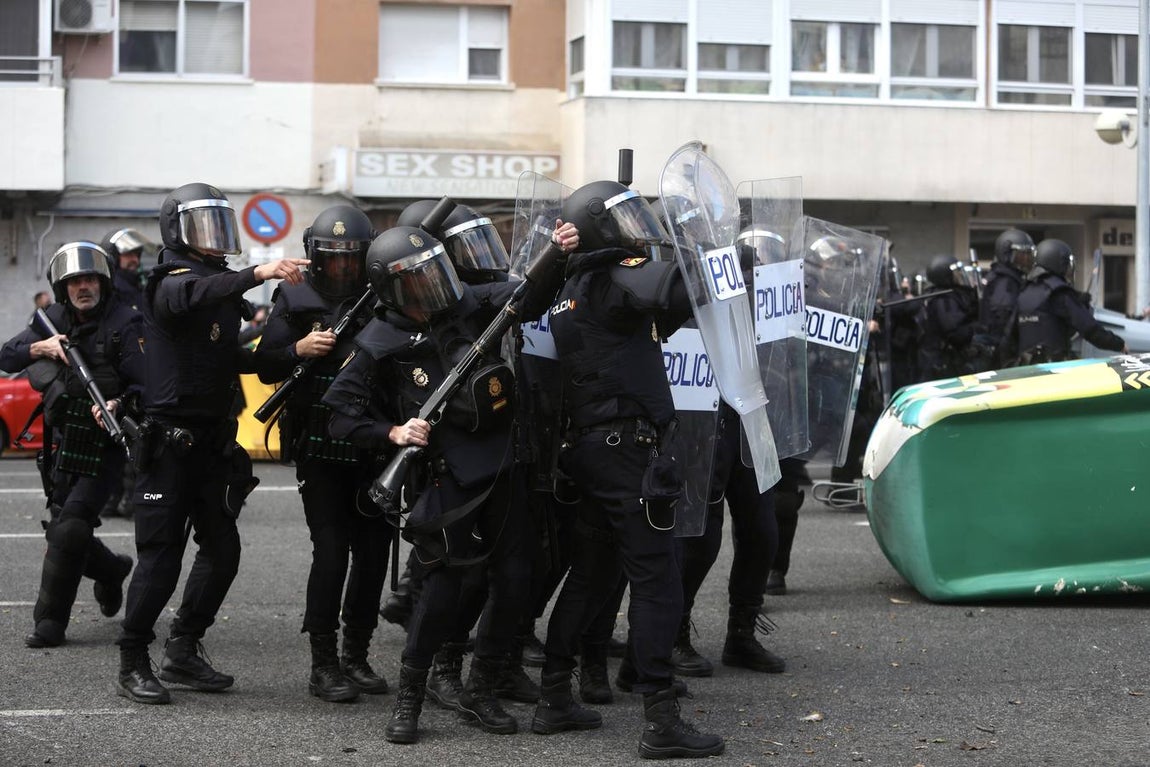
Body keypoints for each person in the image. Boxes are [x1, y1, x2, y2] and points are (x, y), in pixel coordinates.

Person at [323, 220, 575, 744]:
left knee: (515, 581)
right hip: (446, 477)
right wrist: (391, 430)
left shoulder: (468, 304)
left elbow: (525, 295)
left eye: (434, 270)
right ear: (392, 289)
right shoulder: (378, 340)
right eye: (417, 279)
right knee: (441, 589)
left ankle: (481, 689)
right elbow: (340, 415)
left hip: (505, 464)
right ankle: (410, 698)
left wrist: (557, 251)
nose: (433, 284)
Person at [533, 179, 724, 760]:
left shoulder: (574, 290)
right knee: (656, 580)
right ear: (599, 231)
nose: (637, 228)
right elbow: (683, 285)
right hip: (627, 454)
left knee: (590, 575)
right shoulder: (617, 279)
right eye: (624, 219)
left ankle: (553, 699)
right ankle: (661, 719)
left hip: (593, 451)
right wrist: (720, 252)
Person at [114, 182, 309, 705]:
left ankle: (183, 649)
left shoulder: (220, 285)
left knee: (223, 551)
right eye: (203, 223)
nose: (216, 234)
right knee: (161, 557)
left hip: (213, 441)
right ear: (177, 229)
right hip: (169, 441)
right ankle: (133, 658)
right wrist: (257, 273)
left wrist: (297, 350)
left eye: (220, 222)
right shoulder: (171, 280)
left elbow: (232, 360)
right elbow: (188, 296)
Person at [254, 204, 391, 703]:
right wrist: (299, 350)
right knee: (331, 553)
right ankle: (324, 662)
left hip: (374, 440)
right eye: (332, 259)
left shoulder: (384, 293)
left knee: (374, 553)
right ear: (315, 255)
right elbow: (265, 364)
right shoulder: (293, 293)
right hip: (318, 443)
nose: (341, 269)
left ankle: (357, 653)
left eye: (351, 260)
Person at [0, 242, 142, 648]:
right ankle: (113, 570)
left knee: (71, 527)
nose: (84, 287)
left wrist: (119, 402)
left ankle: (49, 624)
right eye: (75, 280)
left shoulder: (125, 322)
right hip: (63, 443)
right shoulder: (52, 318)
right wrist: (39, 347)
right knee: (65, 531)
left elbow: (145, 383)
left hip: (105, 444)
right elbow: (8, 356)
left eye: (90, 279)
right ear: (63, 288)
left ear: (103, 282)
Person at [1017, 239, 1126, 363]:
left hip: (1026, 368)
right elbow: (1089, 329)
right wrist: (1118, 344)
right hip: (1053, 368)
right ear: (1059, 264)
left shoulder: (1024, 291)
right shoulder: (1059, 292)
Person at [917, 255, 981, 380]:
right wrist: (975, 332)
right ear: (945, 276)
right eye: (956, 273)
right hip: (941, 363)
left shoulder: (943, 295)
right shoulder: (944, 300)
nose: (959, 276)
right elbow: (956, 332)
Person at [979, 229, 1035, 367]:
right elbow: (1003, 319)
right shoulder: (1005, 282)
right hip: (1000, 355)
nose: (1028, 260)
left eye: (1029, 255)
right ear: (1007, 254)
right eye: (1023, 255)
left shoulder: (1011, 279)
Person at [101, 228, 152, 311]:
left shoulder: (140, 282)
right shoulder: (112, 289)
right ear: (114, 257)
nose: (135, 260)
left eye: (137, 255)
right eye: (129, 254)